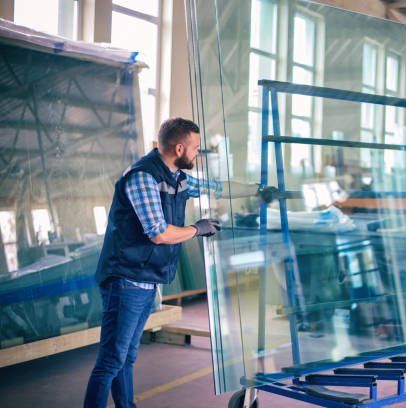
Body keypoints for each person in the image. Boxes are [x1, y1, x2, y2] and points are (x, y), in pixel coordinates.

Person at [84, 118, 273, 407]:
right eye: (196, 148)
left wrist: (257, 190)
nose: (198, 153)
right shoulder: (143, 177)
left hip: (146, 279)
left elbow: (217, 187)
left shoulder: (177, 177)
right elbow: (158, 233)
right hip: (125, 280)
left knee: (126, 357)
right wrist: (197, 229)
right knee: (111, 360)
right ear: (179, 147)